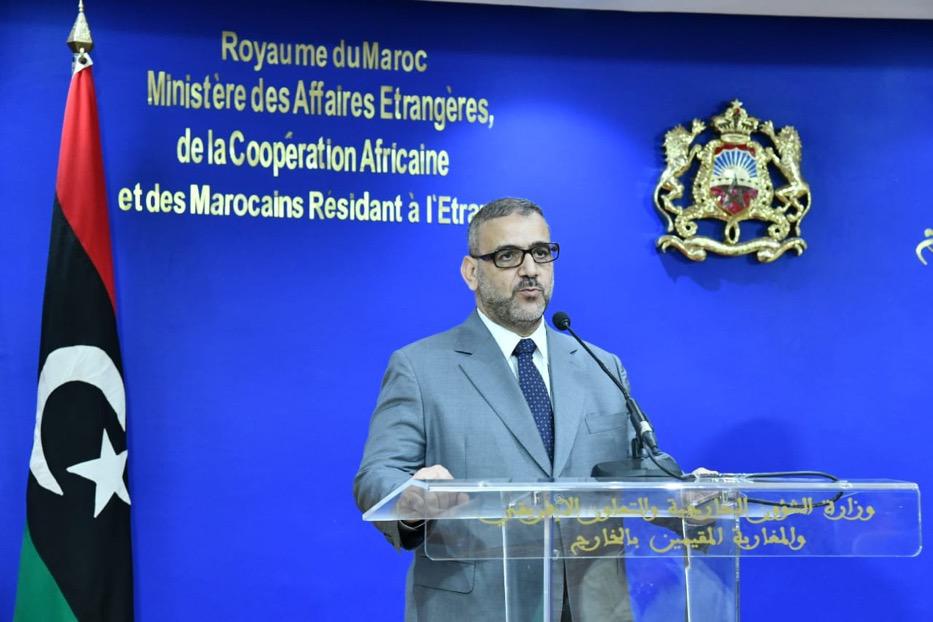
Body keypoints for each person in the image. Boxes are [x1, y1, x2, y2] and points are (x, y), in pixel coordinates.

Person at [354, 197, 638, 621]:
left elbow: (641, 472)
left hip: (594, 606)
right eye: (508, 256)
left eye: (541, 252)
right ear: (471, 272)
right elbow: (377, 476)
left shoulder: (601, 366)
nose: (530, 269)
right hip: (477, 607)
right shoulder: (420, 367)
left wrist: (692, 495)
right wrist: (411, 498)